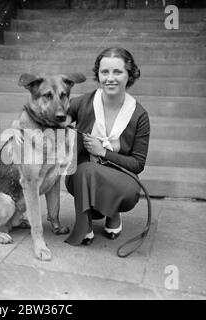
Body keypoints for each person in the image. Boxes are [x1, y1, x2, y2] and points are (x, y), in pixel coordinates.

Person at [64, 47, 150, 246]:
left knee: (124, 189)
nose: (110, 78)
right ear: (98, 74)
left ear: (130, 75)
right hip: (80, 179)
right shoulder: (84, 103)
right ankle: (84, 224)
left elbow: (137, 165)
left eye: (117, 72)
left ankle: (114, 212)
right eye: (105, 72)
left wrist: (103, 152)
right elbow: (55, 117)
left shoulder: (139, 115)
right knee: (84, 169)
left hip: (120, 181)